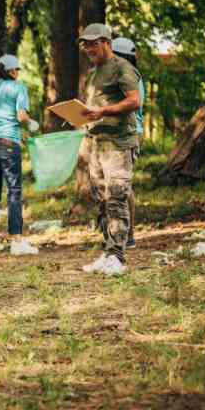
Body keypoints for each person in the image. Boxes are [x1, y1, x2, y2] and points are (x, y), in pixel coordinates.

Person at [77, 24, 142, 276]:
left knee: (116, 198)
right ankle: (107, 253)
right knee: (102, 201)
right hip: (97, 143)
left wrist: (103, 111)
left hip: (118, 143)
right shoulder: (94, 73)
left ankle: (118, 257)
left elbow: (134, 101)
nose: (88, 49)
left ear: (106, 42)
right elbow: (92, 106)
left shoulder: (122, 67)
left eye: (93, 43)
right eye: (85, 44)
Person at [0, 54, 40, 256]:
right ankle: (17, 241)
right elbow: (21, 116)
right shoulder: (18, 87)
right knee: (14, 191)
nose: (18, 73)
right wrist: (30, 123)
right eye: (17, 69)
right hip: (7, 142)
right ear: (12, 71)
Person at [111, 37, 145, 249]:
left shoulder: (129, 76)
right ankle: (119, 232)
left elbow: (128, 106)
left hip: (129, 133)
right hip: (119, 133)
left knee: (123, 185)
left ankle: (128, 235)